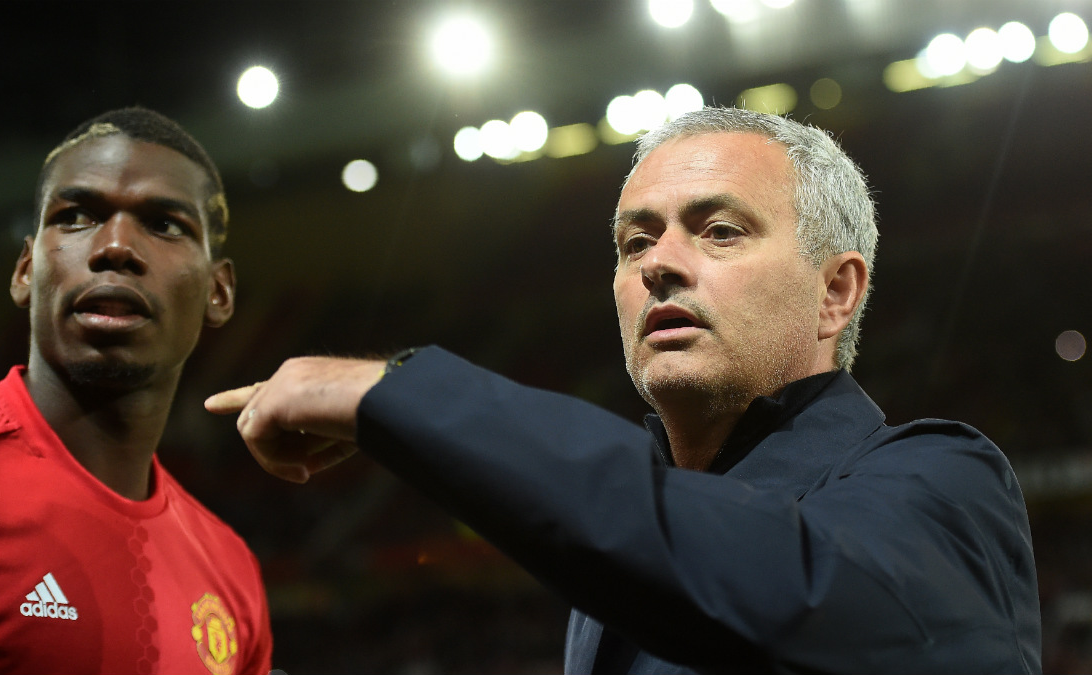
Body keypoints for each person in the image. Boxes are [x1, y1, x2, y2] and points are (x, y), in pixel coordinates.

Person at [205, 107, 1041, 673]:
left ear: (837, 292)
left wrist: (396, 395)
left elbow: (779, 580)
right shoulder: (629, 542)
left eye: (719, 230)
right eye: (634, 240)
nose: (658, 262)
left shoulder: (949, 484)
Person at [0, 107, 273, 675]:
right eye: (76, 216)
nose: (115, 247)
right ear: (25, 270)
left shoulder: (232, 573)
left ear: (219, 291)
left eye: (165, 224)